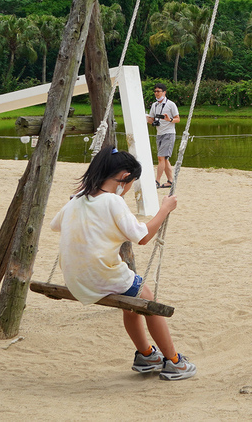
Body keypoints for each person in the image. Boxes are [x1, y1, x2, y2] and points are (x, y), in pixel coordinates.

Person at [49, 148, 197, 381]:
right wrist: (164, 209)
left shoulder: (77, 199)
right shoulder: (113, 201)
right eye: (132, 183)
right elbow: (143, 237)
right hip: (100, 277)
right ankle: (175, 361)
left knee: (131, 304)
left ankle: (147, 355)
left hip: (75, 279)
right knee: (146, 297)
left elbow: (55, 225)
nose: (129, 190)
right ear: (124, 177)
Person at [146, 83, 180, 188]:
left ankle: (157, 181)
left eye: (158, 91)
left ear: (164, 92)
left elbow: (177, 119)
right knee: (164, 159)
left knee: (160, 158)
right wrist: (145, 117)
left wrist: (169, 119)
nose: (156, 93)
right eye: (155, 91)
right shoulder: (154, 105)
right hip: (159, 133)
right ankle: (170, 181)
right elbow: (151, 119)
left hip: (169, 134)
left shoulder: (171, 104)